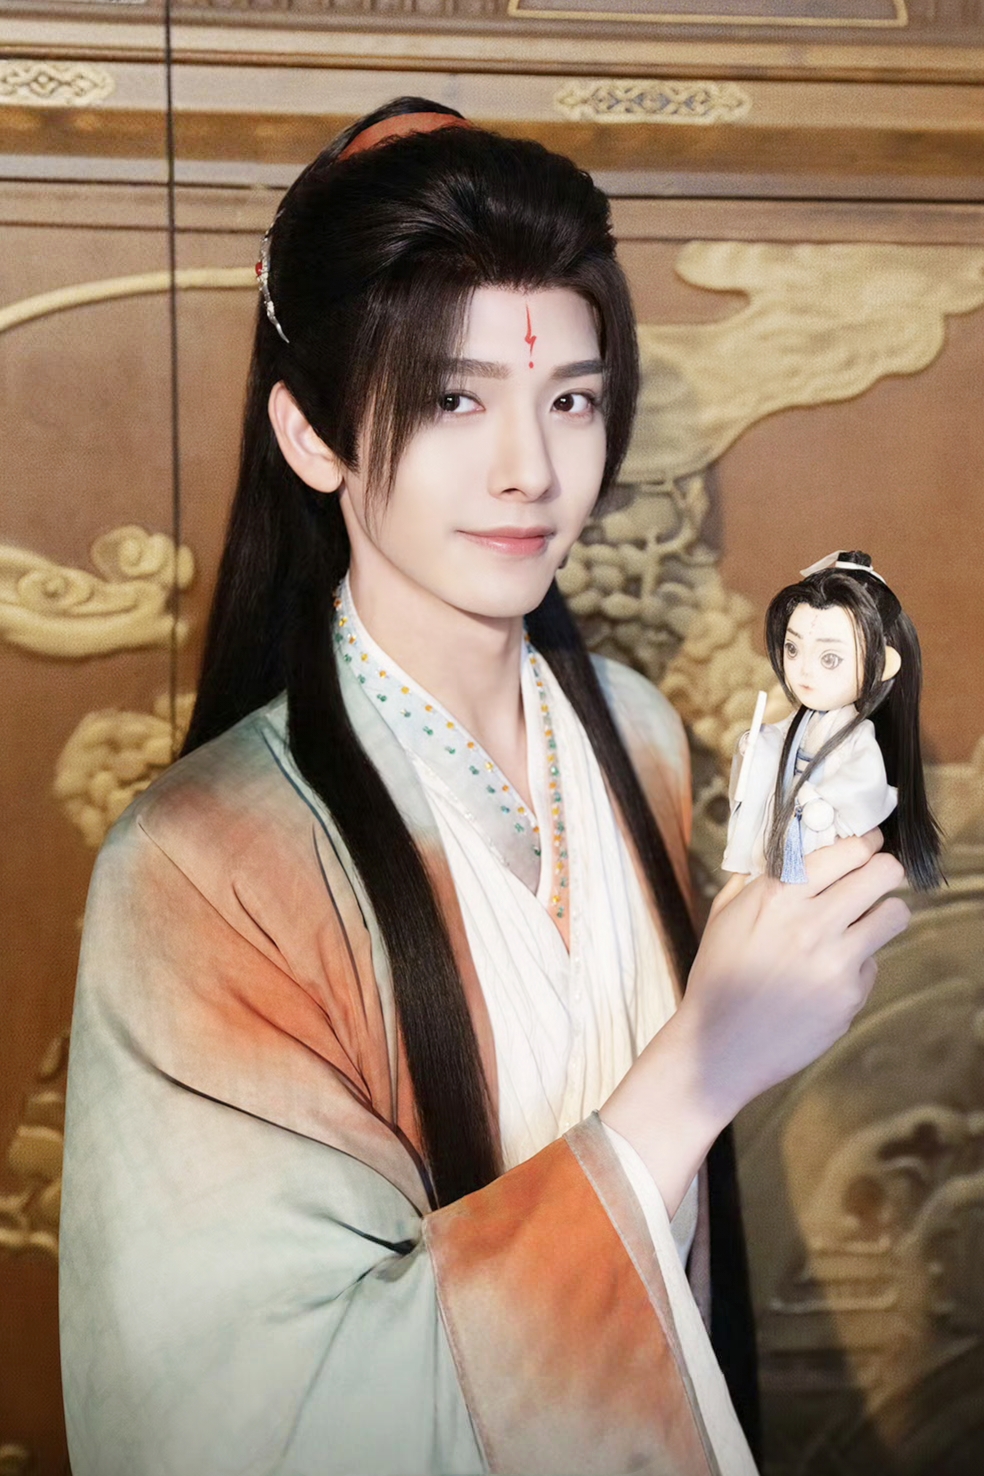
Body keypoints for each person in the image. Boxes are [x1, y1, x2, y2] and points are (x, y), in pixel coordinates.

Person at [59, 101, 911, 1476]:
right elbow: (243, 1425)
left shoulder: (634, 734)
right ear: (312, 435)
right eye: (454, 399)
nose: (532, 471)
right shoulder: (202, 864)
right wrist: (704, 1066)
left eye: (569, 397)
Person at [723, 551, 942, 893]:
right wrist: (757, 744)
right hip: (783, 818)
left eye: (829, 658)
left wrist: (817, 799)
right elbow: (777, 743)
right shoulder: (799, 722)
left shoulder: (857, 736)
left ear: (882, 665)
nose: (804, 670)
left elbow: (864, 783)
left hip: (820, 831)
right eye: (793, 649)